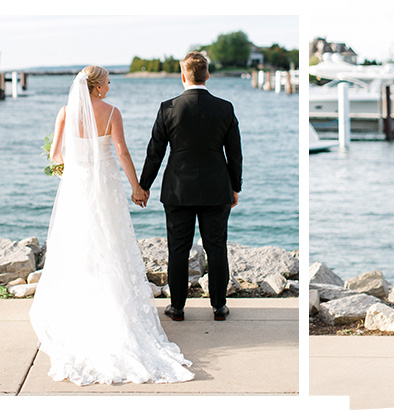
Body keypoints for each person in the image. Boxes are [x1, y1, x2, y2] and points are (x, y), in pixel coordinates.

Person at [28, 65, 195, 385]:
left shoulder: (65, 112)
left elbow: (55, 156)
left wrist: (67, 163)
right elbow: (121, 152)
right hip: (105, 187)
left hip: (77, 189)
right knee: (109, 244)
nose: (110, 85)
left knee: (77, 246)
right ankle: (115, 314)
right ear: (97, 87)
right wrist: (137, 188)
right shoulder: (112, 112)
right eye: (107, 81)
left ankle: (77, 313)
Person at [139, 51, 242, 322]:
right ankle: (219, 307)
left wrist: (143, 185)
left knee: (178, 249)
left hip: (177, 190)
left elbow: (155, 153)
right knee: (216, 247)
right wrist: (236, 186)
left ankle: (177, 308)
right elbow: (235, 153)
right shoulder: (225, 108)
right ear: (207, 75)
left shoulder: (168, 108)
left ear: (183, 76)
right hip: (217, 188)